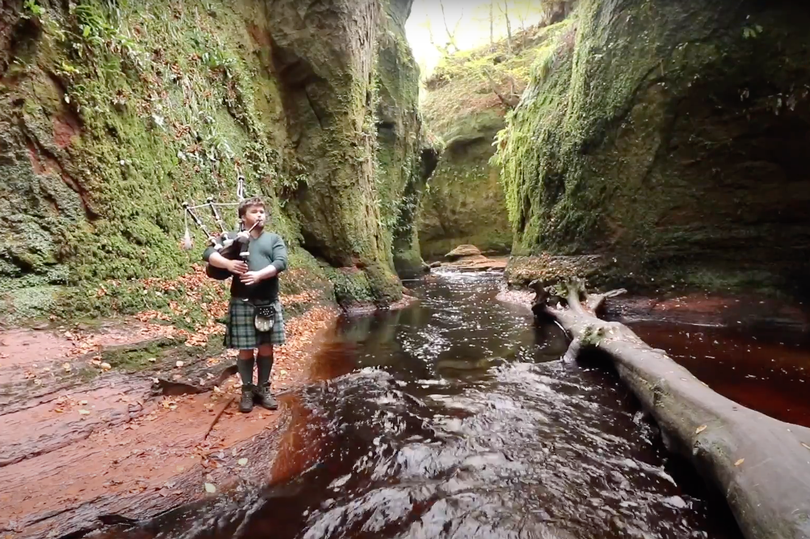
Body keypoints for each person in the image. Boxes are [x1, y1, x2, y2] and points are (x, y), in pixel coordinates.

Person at [203, 196, 288, 413]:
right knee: (245, 350)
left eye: (262, 211)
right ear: (243, 217)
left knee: (266, 347)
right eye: (254, 211)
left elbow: (280, 263)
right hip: (242, 301)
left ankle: (264, 388)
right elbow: (208, 253)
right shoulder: (232, 238)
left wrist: (259, 275)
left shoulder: (273, 239)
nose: (260, 215)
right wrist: (228, 264)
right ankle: (247, 390)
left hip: (267, 301)